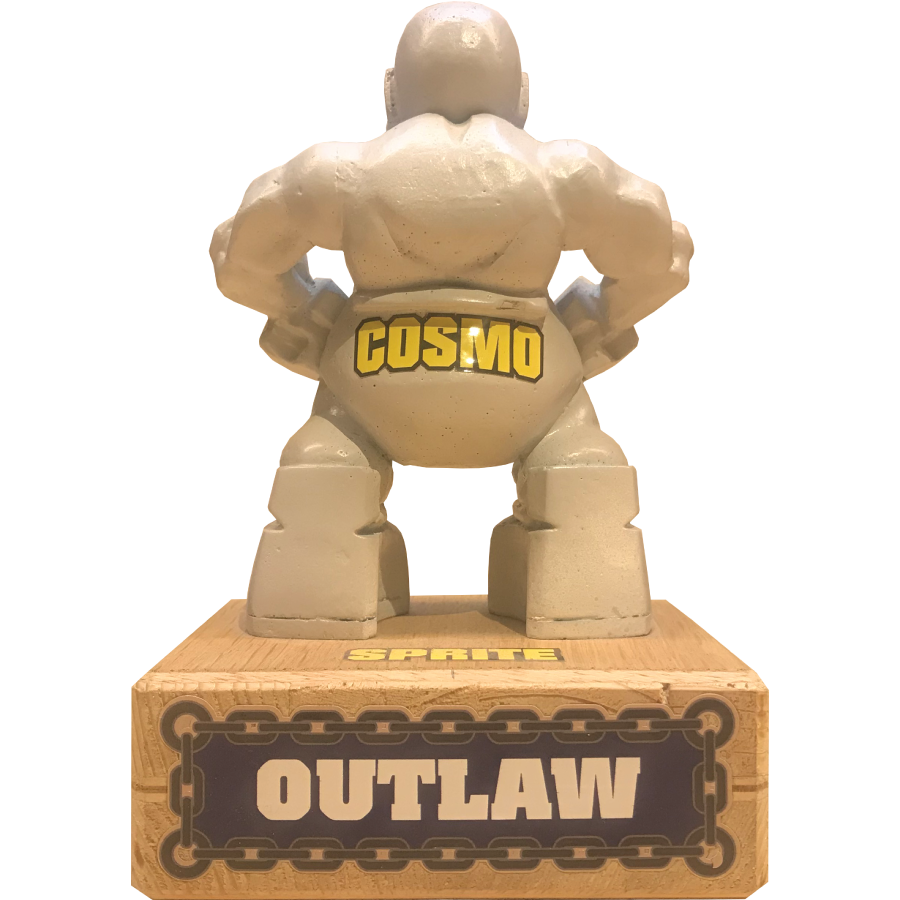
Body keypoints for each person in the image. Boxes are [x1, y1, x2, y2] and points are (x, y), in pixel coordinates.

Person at [209, 2, 694, 639]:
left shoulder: (336, 172)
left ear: (390, 91)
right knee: (584, 478)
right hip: (534, 396)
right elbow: (661, 260)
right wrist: (595, 321)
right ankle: (584, 594)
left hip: (369, 393)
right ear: (522, 94)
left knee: (320, 479)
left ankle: (313, 598)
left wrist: (309, 316)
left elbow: (241, 260)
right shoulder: (568, 172)